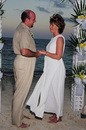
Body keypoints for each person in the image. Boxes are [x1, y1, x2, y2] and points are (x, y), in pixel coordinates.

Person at [26, 13, 66, 123]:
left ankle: (58, 116)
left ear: (58, 26)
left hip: (56, 69)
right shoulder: (53, 38)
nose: (50, 26)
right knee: (49, 90)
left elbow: (58, 56)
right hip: (50, 69)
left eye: (52, 25)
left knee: (57, 91)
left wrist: (45, 52)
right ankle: (55, 113)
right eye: (50, 24)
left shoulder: (59, 39)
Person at [12, 10, 40, 128]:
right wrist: (36, 54)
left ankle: (19, 115)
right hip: (24, 64)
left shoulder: (21, 28)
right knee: (20, 93)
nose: (35, 21)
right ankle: (17, 122)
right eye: (33, 19)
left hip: (21, 63)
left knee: (20, 92)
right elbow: (24, 51)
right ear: (27, 19)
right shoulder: (24, 31)